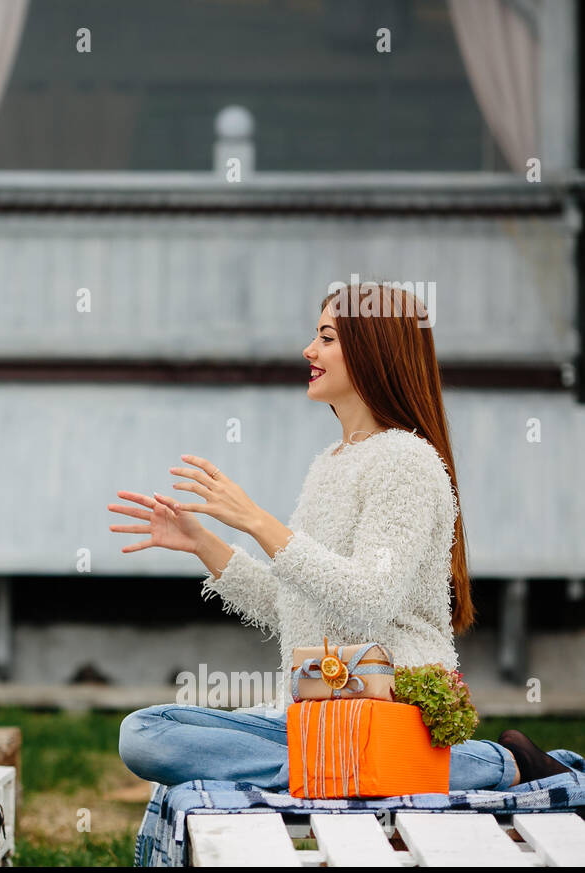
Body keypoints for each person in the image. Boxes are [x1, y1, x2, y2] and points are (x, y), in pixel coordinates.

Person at [109, 282, 574, 792]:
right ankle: (339, 773)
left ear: (373, 351)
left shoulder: (406, 462)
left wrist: (258, 522)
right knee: (146, 732)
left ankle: (493, 764)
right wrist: (205, 544)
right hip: (318, 708)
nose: (309, 351)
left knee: (167, 746)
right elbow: (300, 604)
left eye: (326, 338)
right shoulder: (329, 465)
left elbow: (366, 602)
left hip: (386, 707)